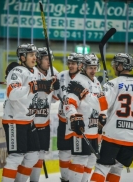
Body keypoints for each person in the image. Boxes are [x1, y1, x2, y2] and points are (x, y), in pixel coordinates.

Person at [67, 53, 133, 182]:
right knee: (117, 168)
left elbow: (101, 104)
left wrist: (84, 94)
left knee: (101, 167)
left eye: (116, 64)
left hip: (114, 135)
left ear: (121, 66)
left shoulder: (113, 84)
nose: (114, 66)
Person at [1, 43, 59, 182]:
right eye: (31, 55)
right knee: (16, 157)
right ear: (22, 57)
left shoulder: (35, 72)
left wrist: (52, 86)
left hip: (28, 121)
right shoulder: (17, 72)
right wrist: (31, 87)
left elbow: (45, 89)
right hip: (14, 120)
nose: (35, 57)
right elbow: (12, 93)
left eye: (35, 55)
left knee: (33, 155)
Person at [63, 53, 106, 182]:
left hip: (93, 128)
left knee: (91, 159)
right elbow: (69, 103)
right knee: (80, 159)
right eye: (90, 68)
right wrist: (73, 117)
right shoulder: (78, 81)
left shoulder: (97, 83)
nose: (93, 71)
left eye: (95, 67)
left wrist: (103, 115)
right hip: (80, 128)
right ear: (84, 67)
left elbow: (102, 103)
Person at [29, 47, 60, 182]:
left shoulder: (54, 74)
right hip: (29, 122)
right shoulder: (32, 73)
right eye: (47, 59)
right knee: (26, 155)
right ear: (39, 59)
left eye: (51, 59)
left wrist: (57, 88)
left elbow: (55, 98)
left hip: (44, 121)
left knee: (40, 154)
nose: (50, 62)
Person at [55, 52, 83, 182]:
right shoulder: (61, 75)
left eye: (74, 63)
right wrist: (52, 87)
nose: (71, 65)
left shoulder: (84, 77)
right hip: (63, 120)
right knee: (64, 151)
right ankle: (65, 179)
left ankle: (79, 179)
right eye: (69, 63)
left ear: (80, 65)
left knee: (80, 154)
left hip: (78, 121)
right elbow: (55, 96)